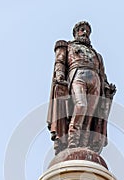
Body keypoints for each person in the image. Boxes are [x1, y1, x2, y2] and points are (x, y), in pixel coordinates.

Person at [47, 21, 116, 155]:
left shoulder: (97, 55)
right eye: (82, 30)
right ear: (75, 32)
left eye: (87, 31)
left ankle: (84, 145)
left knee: (90, 114)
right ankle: (73, 141)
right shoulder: (68, 46)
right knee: (81, 105)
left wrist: (107, 87)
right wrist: (60, 75)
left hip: (95, 79)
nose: (85, 33)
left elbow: (102, 74)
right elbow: (60, 61)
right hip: (77, 73)